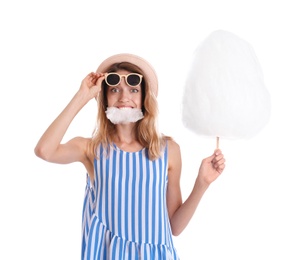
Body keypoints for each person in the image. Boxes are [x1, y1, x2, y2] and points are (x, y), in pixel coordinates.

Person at [34, 53, 226, 260]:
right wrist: (82, 96)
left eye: (133, 90)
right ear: (104, 98)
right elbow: (45, 150)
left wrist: (202, 183)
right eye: (115, 90)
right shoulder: (91, 149)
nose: (124, 97)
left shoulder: (168, 151)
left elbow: (175, 227)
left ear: (144, 98)